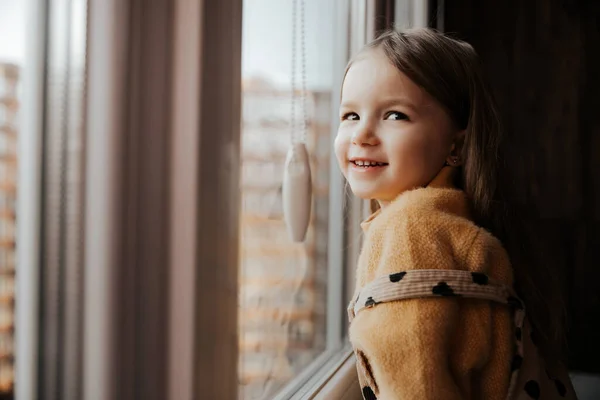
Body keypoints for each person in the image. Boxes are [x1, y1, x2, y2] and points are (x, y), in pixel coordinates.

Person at [335, 28, 577, 400]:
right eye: (350, 115)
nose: (362, 134)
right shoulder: (462, 226)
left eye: (395, 115)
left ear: (457, 144)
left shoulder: (412, 231)